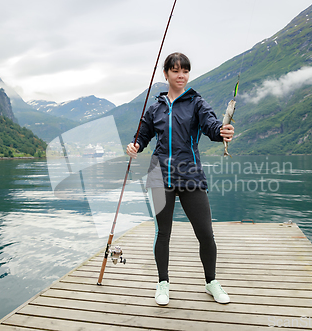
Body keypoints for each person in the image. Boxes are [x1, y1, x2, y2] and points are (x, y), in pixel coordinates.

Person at [126, 52, 235, 306]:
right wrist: (135, 147)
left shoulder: (197, 103)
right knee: (163, 233)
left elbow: (212, 127)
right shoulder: (155, 108)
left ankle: (211, 283)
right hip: (159, 176)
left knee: (206, 234)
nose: (181, 75)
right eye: (175, 71)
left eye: (185, 70)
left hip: (191, 177)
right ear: (166, 74)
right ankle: (163, 283)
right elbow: (141, 138)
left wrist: (222, 131)